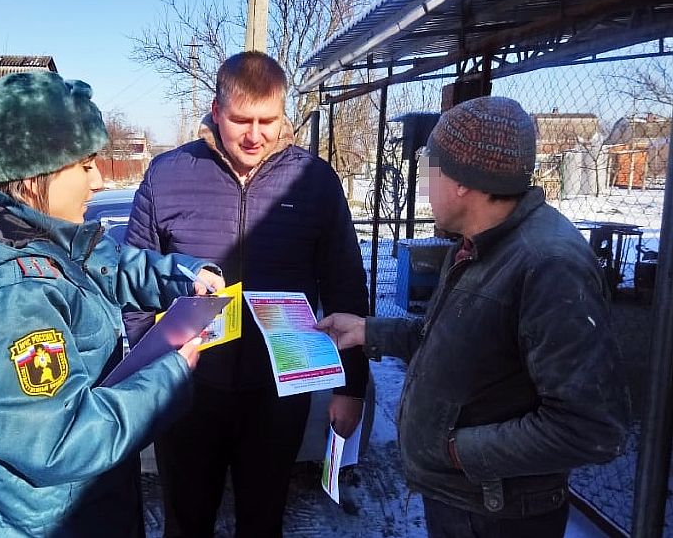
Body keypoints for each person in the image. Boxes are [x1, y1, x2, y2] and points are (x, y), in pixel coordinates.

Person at [0, 71, 224, 538]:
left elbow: (105, 266)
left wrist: (183, 275)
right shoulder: (11, 301)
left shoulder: (31, 234)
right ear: (34, 173)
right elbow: (60, 441)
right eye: (85, 165)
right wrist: (171, 374)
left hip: (78, 508)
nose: (99, 181)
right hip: (48, 524)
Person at [317, 96, 630, 538]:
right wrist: (368, 330)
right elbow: (454, 340)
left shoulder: (550, 266)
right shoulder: (478, 244)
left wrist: (457, 450)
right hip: (465, 499)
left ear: (463, 182)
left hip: (498, 516)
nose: (423, 186)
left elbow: (591, 428)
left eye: (430, 170)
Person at [124, 51, 369, 537]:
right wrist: (152, 366)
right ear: (216, 111)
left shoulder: (314, 181)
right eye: (241, 120)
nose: (255, 135)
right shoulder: (168, 176)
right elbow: (136, 279)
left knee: (263, 521)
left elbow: (345, 284)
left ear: (284, 115)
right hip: (188, 389)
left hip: (278, 391)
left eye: (268, 121)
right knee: (186, 521)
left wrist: (351, 387)